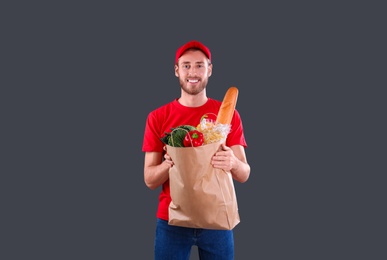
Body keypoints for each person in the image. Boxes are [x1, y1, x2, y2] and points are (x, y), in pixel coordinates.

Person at [142, 40, 251, 260]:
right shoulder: (157, 117)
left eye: (200, 65)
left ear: (210, 69)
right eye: (187, 65)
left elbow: (245, 174)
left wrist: (233, 162)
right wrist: (169, 163)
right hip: (171, 220)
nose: (193, 72)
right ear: (176, 70)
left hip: (218, 219)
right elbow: (149, 179)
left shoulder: (228, 115)